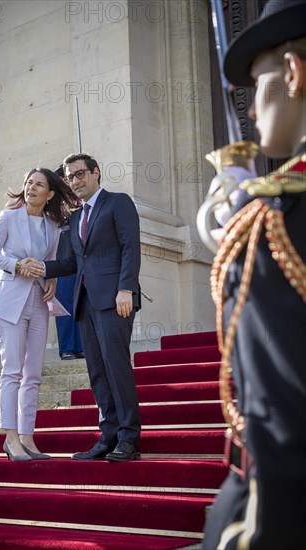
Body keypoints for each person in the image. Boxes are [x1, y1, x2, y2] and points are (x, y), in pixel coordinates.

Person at [202, 1, 306, 548]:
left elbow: (281, 437)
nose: (251, 107)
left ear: (293, 73)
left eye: (261, 79)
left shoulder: (279, 223)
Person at [26, 153, 142, 462]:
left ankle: (129, 439)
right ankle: (108, 435)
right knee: (98, 373)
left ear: (95, 173)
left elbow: (131, 247)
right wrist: (40, 267)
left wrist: (126, 288)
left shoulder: (118, 203)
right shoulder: (76, 218)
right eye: (69, 177)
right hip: (85, 303)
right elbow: (72, 262)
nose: (75, 181)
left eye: (80, 174)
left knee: (117, 368)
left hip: (115, 299)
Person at [0, 168, 74, 461]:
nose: (31, 188)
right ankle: (10, 439)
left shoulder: (53, 225)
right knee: (12, 371)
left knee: (33, 374)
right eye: (28, 183)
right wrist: (17, 265)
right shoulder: (8, 217)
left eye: (39, 185)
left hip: (39, 301)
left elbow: (52, 261)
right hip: (10, 299)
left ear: (49, 194)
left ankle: (28, 438)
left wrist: (53, 278)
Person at [54, 164, 84, 360]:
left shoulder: (83, 200)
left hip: (82, 259)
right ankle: (67, 347)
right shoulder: (56, 203)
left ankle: (81, 345)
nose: (70, 181)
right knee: (65, 305)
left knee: (82, 304)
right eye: (66, 178)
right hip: (63, 259)